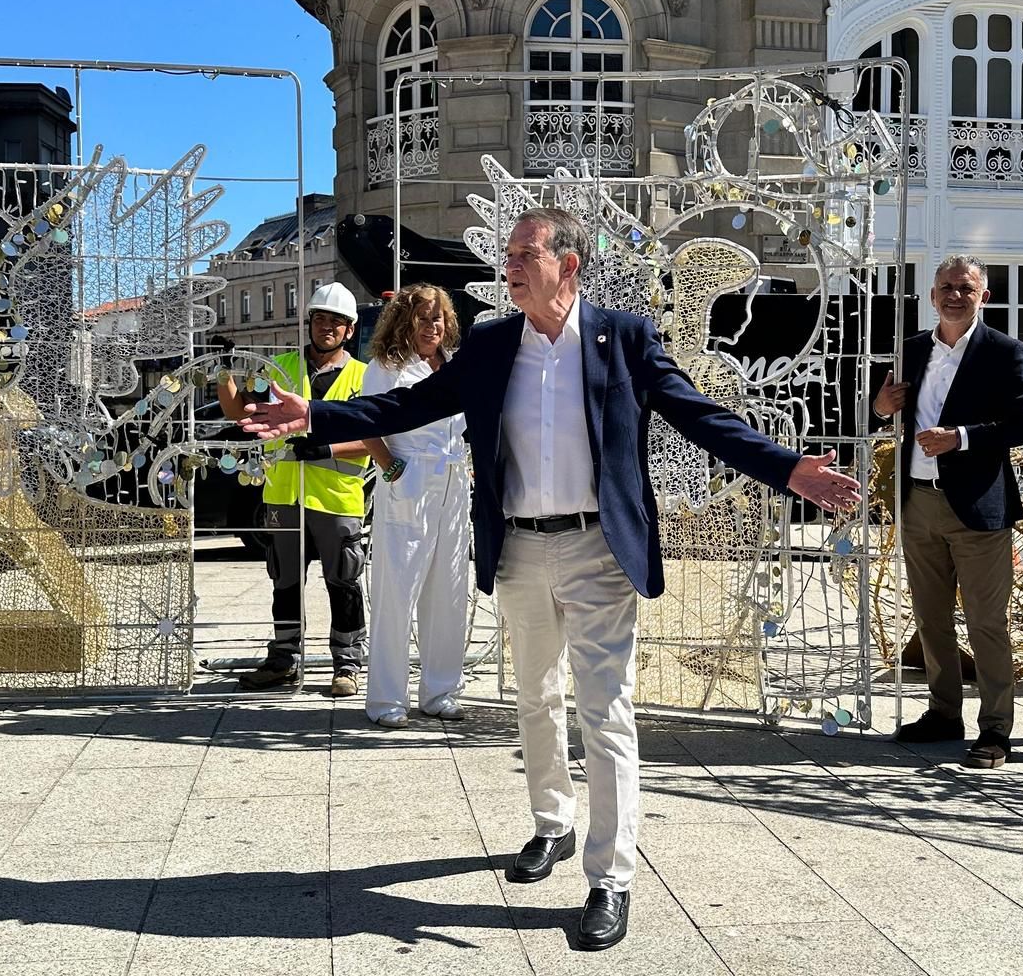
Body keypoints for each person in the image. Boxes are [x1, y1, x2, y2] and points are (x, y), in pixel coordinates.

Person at [242, 207, 860, 952]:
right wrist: (315, 415)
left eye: (524, 253)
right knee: (535, 698)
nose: (510, 266)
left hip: (602, 549)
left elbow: (699, 414)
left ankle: (611, 878)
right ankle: (552, 824)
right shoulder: (495, 344)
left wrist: (788, 467)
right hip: (523, 550)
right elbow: (409, 403)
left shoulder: (623, 339)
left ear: (568, 265)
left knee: (606, 713)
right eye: (508, 254)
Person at [873, 254, 1023, 770]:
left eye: (965, 288)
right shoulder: (911, 349)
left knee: (987, 622)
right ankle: (944, 713)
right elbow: (879, 413)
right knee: (930, 618)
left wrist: (960, 438)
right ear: (932, 294)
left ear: (982, 295)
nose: (954, 295)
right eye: (946, 286)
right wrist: (880, 408)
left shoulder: (1006, 352)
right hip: (919, 501)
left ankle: (995, 730)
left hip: (978, 508)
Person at [216, 281, 375, 696]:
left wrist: (327, 446)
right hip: (284, 496)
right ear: (309, 323)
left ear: (349, 330)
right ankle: (283, 660)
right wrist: (222, 370)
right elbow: (240, 413)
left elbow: (381, 438)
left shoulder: (364, 377)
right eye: (320, 319)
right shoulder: (280, 369)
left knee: (343, 580)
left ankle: (347, 663)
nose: (326, 327)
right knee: (285, 581)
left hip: (337, 497)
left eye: (335, 322)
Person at [357, 284, 471, 730]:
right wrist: (390, 469)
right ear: (405, 322)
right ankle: (386, 698)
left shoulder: (456, 366)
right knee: (397, 590)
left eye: (439, 318)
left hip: (454, 479)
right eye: (423, 318)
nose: (433, 326)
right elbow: (366, 421)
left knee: (448, 590)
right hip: (410, 478)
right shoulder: (385, 368)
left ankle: (440, 691)